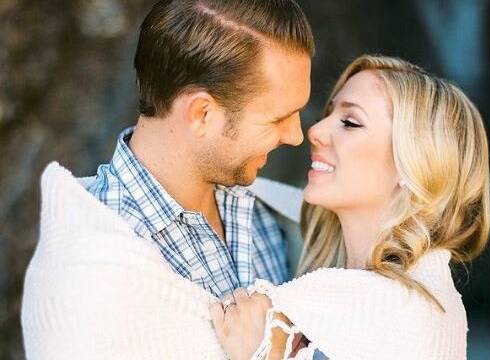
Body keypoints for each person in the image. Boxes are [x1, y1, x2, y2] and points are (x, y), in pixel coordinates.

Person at [21, 0, 314, 358]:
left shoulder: (266, 212)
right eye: (277, 118)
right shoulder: (89, 280)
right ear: (201, 114)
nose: (296, 135)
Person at [210, 55, 490, 360]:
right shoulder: (418, 302)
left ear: (413, 165)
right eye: (329, 113)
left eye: (350, 122)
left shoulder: (399, 312)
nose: (315, 130)